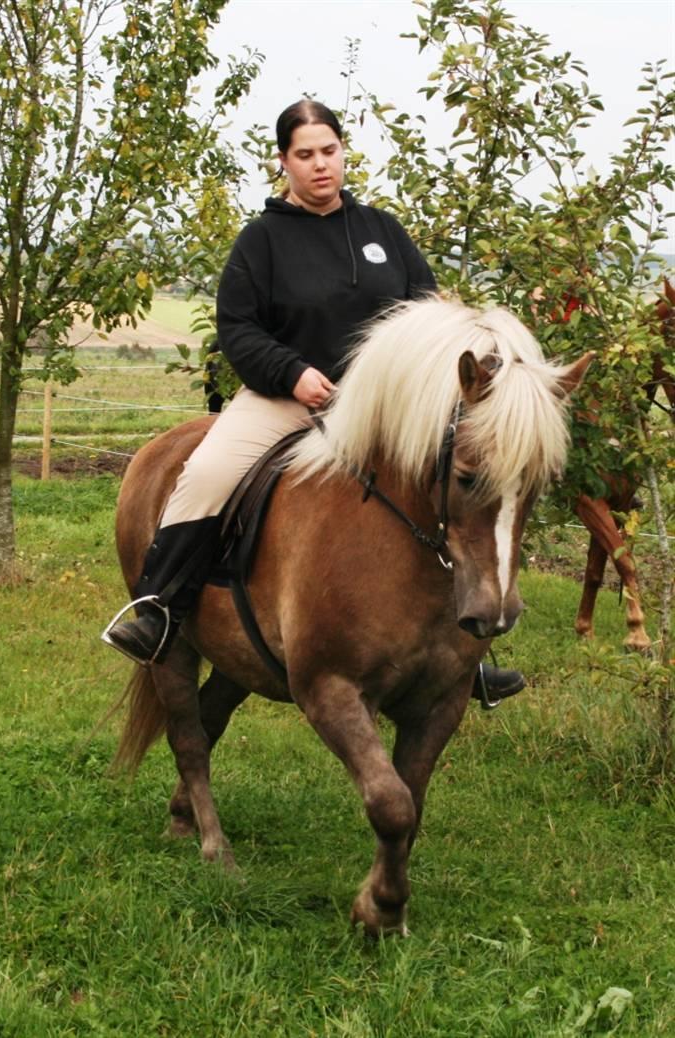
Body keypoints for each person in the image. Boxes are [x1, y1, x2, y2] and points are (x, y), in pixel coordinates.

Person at [102, 100, 524, 704]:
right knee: (206, 473)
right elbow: (238, 328)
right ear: (284, 163)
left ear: (343, 152)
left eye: (329, 151)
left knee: (456, 493)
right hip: (286, 401)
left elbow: (432, 314)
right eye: (305, 155)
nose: (320, 165)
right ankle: (158, 607)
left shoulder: (383, 232)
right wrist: (292, 372)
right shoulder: (262, 241)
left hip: (380, 414)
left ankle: (465, 656)